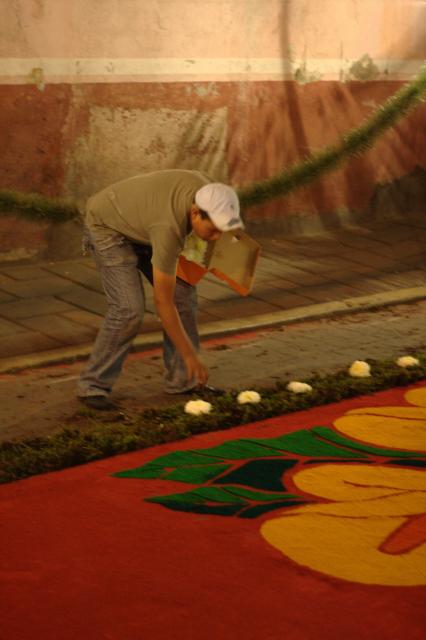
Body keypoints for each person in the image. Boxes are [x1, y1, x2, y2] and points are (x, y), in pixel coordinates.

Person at [77, 169, 244, 410]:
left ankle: (182, 381)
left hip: (143, 221)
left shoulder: (213, 195)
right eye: (213, 230)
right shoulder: (169, 228)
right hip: (108, 225)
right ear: (195, 213)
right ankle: (92, 385)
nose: (217, 237)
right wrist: (190, 355)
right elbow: (162, 302)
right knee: (128, 308)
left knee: (183, 297)